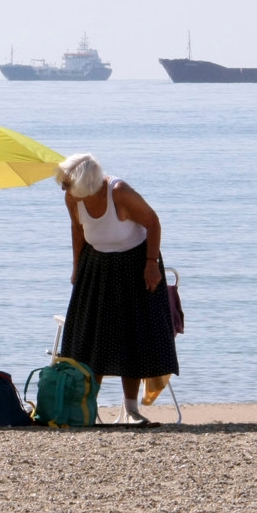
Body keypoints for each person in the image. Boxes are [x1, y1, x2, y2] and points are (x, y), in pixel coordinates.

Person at [55, 152, 178, 424]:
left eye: (67, 184)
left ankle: (131, 410)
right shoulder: (73, 198)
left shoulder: (119, 192)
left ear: (86, 183)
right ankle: (88, 407)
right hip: (96, 262)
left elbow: (153, 222)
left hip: (135, 263)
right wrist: (77, 266)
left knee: (131, 335)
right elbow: (77, 229)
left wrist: (151, 263)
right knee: (91, 335)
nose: (64, 189)